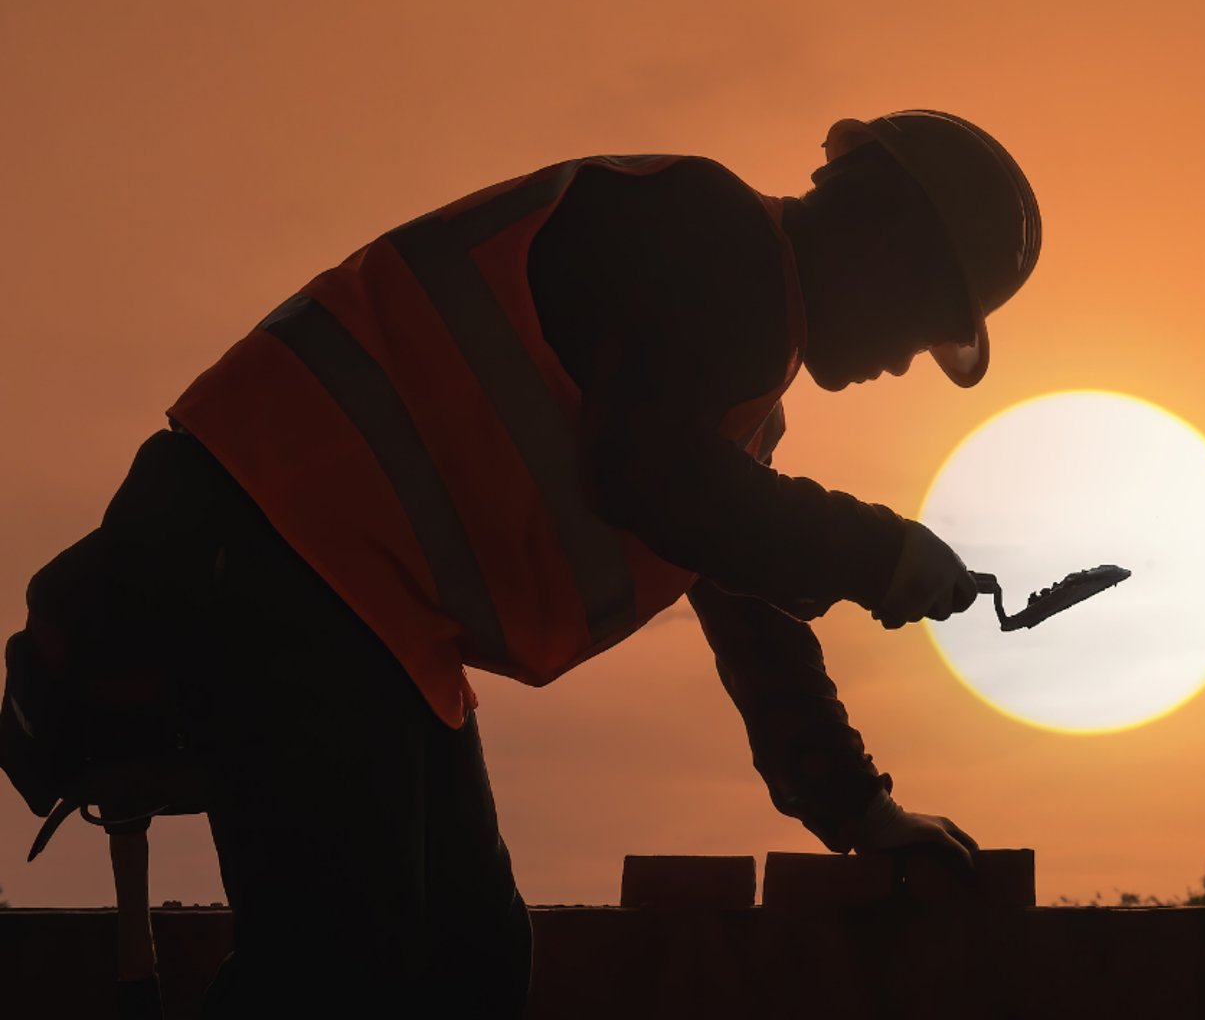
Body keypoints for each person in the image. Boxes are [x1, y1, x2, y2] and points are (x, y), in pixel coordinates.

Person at [13, 109, 1042, 1016]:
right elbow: (654, 483)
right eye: (923, 323)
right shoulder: (710, 237)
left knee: (468, 964)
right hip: (274, 538)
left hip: (359, 599)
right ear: (886, 247)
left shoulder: (732, 379)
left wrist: (857, 806)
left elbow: (742, 591)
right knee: (338, 971)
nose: (904, 359)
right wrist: (877, 549)